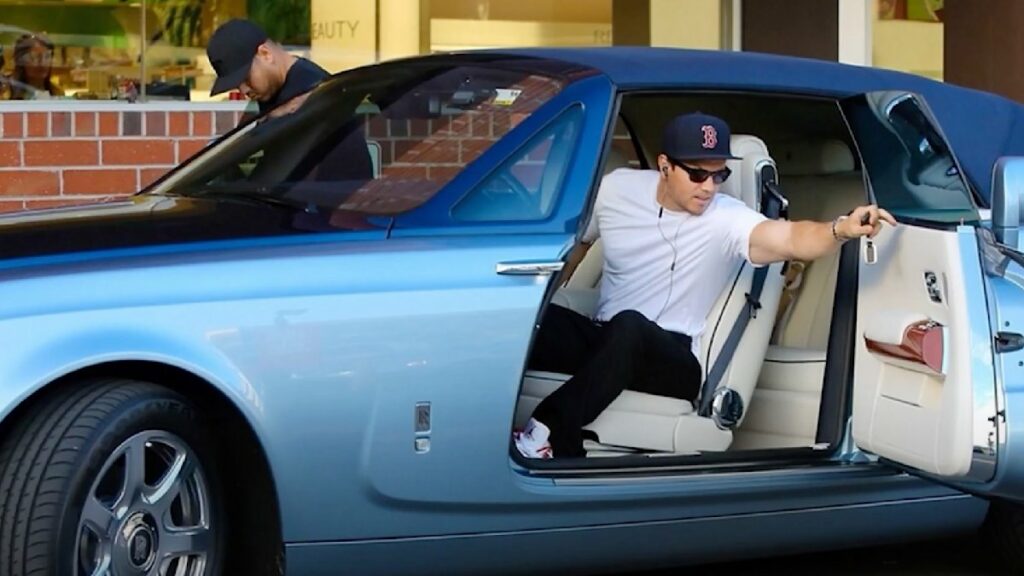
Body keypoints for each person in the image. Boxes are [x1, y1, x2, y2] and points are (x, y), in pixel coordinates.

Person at [514, 112, 896, 459]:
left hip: (675, 360)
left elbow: (793, 238)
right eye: (698, 174)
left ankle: (546, 431)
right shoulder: (617, 191)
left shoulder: (727, 219)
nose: (710, 187)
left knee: (629, 327)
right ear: (664, 166)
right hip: (608, 340)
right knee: (531, 319)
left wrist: (840, 229)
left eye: (720, 175)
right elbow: (578, 243)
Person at [205, 18, 373, 181]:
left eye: (246, 78)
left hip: (333, 202)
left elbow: (272, 177)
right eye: (237, 84)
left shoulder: (305, 92)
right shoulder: (275, 89)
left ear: (265, 54)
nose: (244, 90)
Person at [10, 34, 64, 100]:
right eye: (35, 57)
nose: (42, 63)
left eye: (47, 57)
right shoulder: (7, 92)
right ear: (21, 61)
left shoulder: (57, 92)